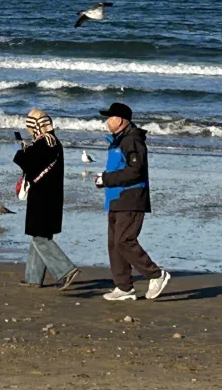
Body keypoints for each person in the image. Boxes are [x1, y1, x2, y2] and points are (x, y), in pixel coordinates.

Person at [95, 100, 170, 302]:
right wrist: (104, 180)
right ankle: (124, 287)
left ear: (119, 120)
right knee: (114, 244)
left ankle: (156, 275)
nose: (106, 121)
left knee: (124, 241)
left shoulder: (132, 140)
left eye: (109, 117)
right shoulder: (118, 140)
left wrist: (106, 179)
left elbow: (135, 171)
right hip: (115, 197)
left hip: (131, 198)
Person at [12, 108, 80, 289]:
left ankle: (66, 270)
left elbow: (29, 165)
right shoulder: (52, 142)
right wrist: (29, 148)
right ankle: (33, 278)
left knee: (39, 237)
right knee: (39, 234)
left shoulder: (45, 143)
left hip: (42, 195)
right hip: (52, 195)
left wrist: (21, 152)